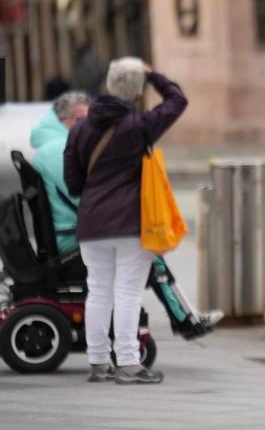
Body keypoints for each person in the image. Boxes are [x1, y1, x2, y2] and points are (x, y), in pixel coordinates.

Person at [30, 91, 222, 341]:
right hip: (73, 237)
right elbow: (81, 194)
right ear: (62, 119)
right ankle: (183, 319)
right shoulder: (55, 149)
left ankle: (182, 318)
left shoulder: (53, 144)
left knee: (132, 263)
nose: (85, 125)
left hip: (71, 232)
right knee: (148, 256)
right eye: (80, 119)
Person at [64, 58, 186, 385]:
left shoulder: (79, 129)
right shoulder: (142, 125)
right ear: (136, 95)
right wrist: (152, 75)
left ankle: (98, 363)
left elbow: (73, 182)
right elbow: (177, 100)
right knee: (127, 293)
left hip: (91, 225)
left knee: (98, 291)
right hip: (132, 223)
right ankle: (129, 363)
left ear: (106, 87)